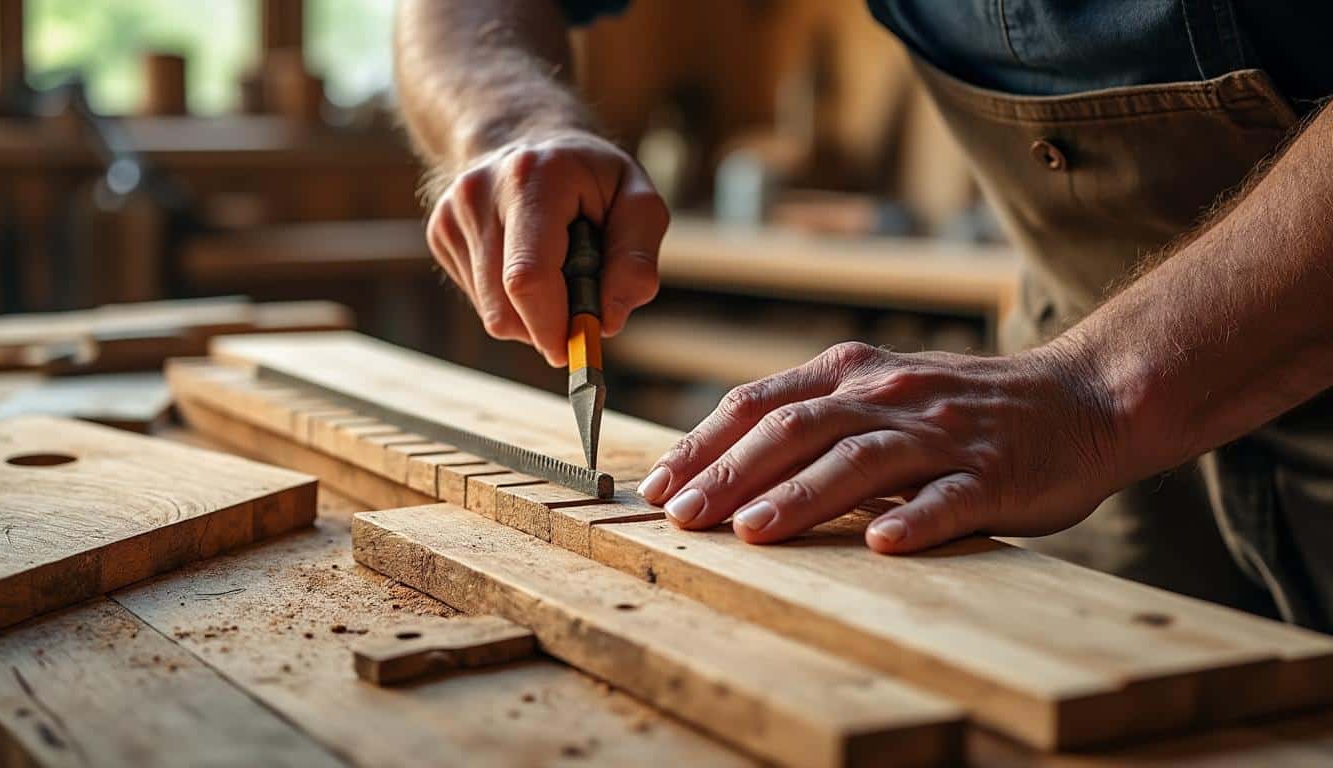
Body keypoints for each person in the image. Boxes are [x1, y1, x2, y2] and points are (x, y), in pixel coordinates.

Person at [393, 1, 1333, 630]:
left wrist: (1095, 393)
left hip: (1089, 398)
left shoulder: (1087, 400)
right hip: (1072, 441)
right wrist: (510, 122)